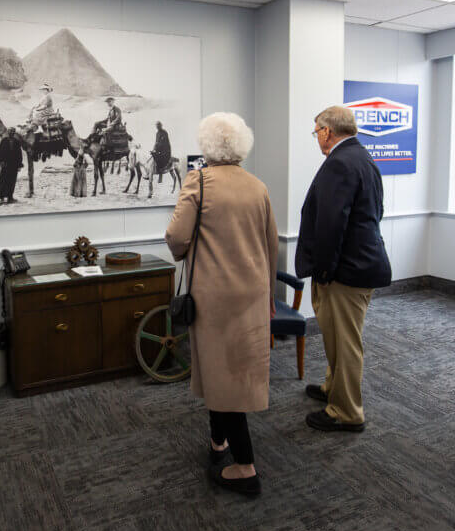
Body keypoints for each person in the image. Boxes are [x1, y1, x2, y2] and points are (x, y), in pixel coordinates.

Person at [165, 112, 277, 497]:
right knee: (229, 371)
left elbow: (176, 236)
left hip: (213, 297)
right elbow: (271, 246)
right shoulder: (258, 187)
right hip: (252, 295)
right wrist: (269, 296)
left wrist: (185, 252)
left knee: (222, 374)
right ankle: (218, 442)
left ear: (207, 145)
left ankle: (245, 468)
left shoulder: (198, 181)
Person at [295, 106, 391, 433]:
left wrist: (324, 271)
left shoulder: (340, 163)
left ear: (327, 131)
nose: (316, 138)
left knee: (346, 342)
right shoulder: (362, 158)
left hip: (345, 271)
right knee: (338, 337)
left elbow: (331, 225)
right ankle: (332, 388)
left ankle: (346, 411)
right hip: (359, 263)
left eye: (316, 132)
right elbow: (375, 211)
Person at [0, 128, 22, 205]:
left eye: (13, 132)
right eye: (10, 132)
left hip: (13, 165)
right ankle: (1, 198)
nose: (11, 133)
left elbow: (19, 154)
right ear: (8, 132)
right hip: (5, 165)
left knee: (12, 181)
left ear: (14, 133)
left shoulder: (17, 142)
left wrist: (19, 165)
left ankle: (10, 197)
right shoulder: (4, 141)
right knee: (3, 181)